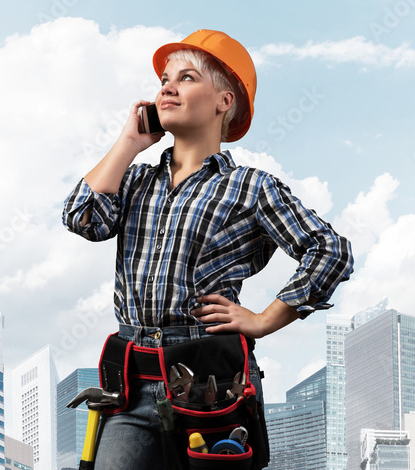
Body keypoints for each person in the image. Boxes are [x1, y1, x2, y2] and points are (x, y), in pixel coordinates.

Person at [62, 29, 353, 469]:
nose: (167, 86)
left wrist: (263, 321)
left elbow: (330, 251)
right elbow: (82, 216)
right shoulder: (137, 180)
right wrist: (130, 142)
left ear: (224, 101)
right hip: (131, 384)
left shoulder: (249, 188)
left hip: (212, 383)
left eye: (187, 77)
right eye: (164, 78)